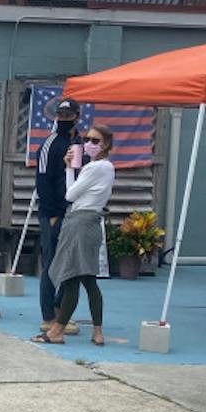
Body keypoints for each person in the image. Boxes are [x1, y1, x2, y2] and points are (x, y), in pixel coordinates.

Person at [35, 125, 116, 347]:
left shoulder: (94, 168)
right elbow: (74, 191)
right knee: (89, 279)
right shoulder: (107, 167)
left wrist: (70, 169)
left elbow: (70, 194)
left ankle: (57, 330)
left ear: (106, 144)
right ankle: (97, 331)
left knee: (70, 277)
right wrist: (70, 168)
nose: (89, 143)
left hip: (78, 221)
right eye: (88, 138)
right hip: (93, 221)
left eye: (96, 140)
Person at [35, 95, 81, 337]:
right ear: (55, 117)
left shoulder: (79, 143)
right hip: (52, 213)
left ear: (77, 117)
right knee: (52, 263)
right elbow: (42, 181)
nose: (64, 119)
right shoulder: (49, 144)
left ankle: (61, 311)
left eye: (68, 116)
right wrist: (52, 213)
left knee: (69, 264)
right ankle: (48, 316)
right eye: (60, 115)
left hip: (73, 212)